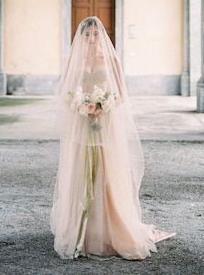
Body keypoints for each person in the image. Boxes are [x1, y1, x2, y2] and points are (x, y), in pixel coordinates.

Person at [50, 16, 175, 260]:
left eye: (96, 34)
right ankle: (79, 229)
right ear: (81, 37)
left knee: (106, 174)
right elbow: (64, 94)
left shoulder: (111, 60)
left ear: (102, 35)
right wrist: (80, 106)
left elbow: (121, 96)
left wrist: (102, 107)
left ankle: (106, 229)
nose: (92, 39)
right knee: (80, 172)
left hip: (104, 125)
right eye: (88, 35)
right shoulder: (74, 61)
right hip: (81, 125)